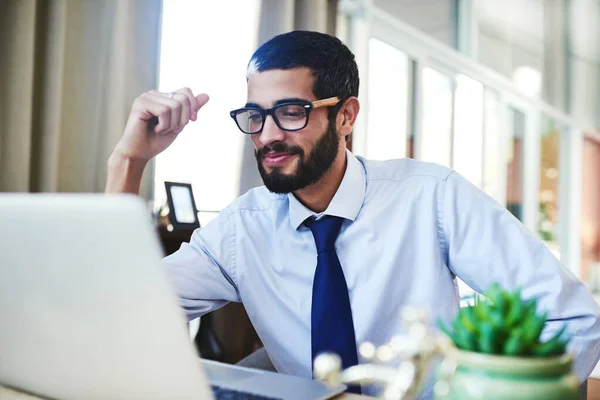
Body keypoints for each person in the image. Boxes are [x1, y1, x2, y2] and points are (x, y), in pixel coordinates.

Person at [106, 30, 600, 397]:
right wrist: (129, 161)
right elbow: (118, 310)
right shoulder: (242, 229)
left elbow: (573, 319)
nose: (268, 135)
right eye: (256, 116)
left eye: (291, 112)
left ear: (345, 116)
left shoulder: (432, 198)